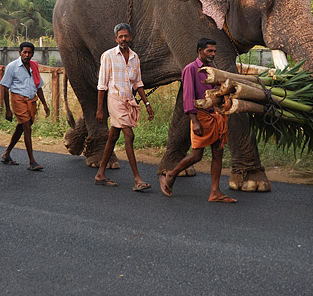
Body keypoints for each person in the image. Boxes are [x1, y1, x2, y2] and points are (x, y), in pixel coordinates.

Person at [160, 38, 237, 203]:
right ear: (200, 51)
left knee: (218, 153)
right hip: (201, 117)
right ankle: (171, 174)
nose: (213, 54)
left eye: (214, 51)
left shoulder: (213, 69)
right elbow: (188, 97)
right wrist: (194, 121)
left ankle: (215, 192)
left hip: (216, 116)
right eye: (210, 51)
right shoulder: (191, 69)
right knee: (196, 156)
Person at [93, 23, 154, 191]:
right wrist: (100, 109)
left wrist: (147, 103)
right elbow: (102, 85)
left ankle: (100, 174)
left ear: (131, 37)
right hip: (114, 99)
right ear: (116, 38)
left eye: (126, 36)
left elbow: (138, 83)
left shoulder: (135, 58)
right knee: (129, 134)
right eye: (120, 36)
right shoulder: (108, 56)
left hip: (129, 100)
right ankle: (137, 179)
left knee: (113, 136)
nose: (124, 39)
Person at [0, 41, 50, 171]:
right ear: (20, 52)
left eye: (29, 52)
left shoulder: (34, 66)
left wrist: (44, 104)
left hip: (31, 100)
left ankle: (6, 154)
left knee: (21, 127)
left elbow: (38, 86)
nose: (27, 55)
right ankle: (32, 161)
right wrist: (8, 110)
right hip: (18, 99)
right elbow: (5, 88)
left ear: (33, 54)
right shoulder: (12, 67)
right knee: (27, 127)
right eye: (24, 52)